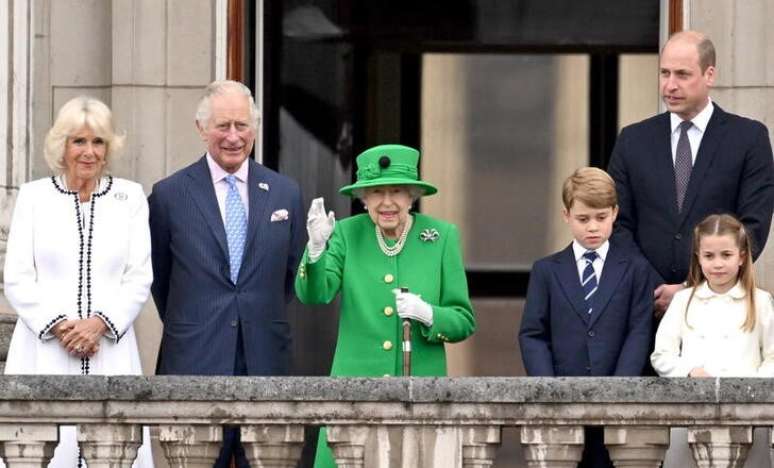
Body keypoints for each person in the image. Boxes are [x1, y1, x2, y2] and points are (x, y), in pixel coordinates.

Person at [148, 80, 304, 467]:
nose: (233, 137)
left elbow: (291, 275)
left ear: (255, 128)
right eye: (222, 126)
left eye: (242, 125)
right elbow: (159, 278)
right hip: (194, 361)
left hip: (265, 359)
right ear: (202, 129)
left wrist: (250, 311)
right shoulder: (168, 195)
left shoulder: (285, 193)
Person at [295, 144, 476, 468]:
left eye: (396, 191)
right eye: (376, 192)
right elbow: (314, 294)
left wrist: (429, 314)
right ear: (363, 198)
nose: (387, 202)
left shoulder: (442, 237)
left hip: (420, 398)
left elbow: (463, 321)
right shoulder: (347, 234)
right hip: (354, 396)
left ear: (412, 196)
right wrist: (317, 248)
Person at [2, 96, 153, 467]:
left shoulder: (129, 197)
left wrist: (99, 324)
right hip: (45, 350)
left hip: (110, 349)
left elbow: (139, 276)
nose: (89, 152)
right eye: (78, 141)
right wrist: (61, 328)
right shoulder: (34, 197)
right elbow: (17, 278)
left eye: (98, 141)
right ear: (62, 146)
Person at [608, 30, 774, 317]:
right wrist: (655, 288)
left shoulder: (748, 139)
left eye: (682, 74)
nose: (670, 85)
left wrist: (691, 289)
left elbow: (752, 227)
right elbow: (617, 223)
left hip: (719, 312)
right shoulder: (632, 140)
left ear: (709, 75)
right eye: (664, 73)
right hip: (645, 309)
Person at [519, 167, 653, 468]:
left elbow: (639, 331)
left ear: (615, 213)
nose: (593, 227)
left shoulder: (635, 269)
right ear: (566, 215)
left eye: (601, 217)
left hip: (617, 405)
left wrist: (620, 389)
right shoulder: (546, 270)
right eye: (583, 219)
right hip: (561, 403)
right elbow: (532, 334)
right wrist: (549, 388)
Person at [651, 214, 774, 467]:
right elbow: (662, 354)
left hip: (748, 418)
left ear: (741, 256)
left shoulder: (760, 301)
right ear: (698, 257)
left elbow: (772, 356)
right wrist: (688, 372)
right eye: (709, 256)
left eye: (726, 255)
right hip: (690, 415)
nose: (717, 264)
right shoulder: (683, 301)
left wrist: (747, 386)